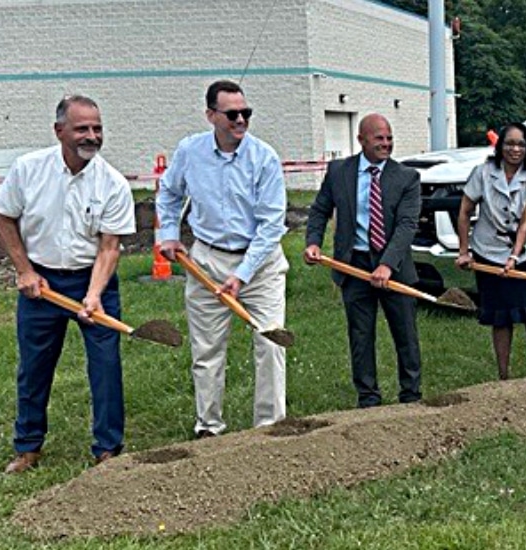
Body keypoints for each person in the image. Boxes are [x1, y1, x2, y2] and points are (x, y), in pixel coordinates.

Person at [0, 95, 136, 473]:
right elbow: (3, 218)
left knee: (106, 367)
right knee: (34, 367)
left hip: (94, 281)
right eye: (82, 128)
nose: (92, 136)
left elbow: (109, 247)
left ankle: (107, 449)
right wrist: (24, 270)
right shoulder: (28, 170)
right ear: (59, 131)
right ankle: (28, 447)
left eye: (97, 128)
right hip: (42, 283)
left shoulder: (113, 183)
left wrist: (93, 296)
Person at [157, 80, 288, 437]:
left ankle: (269, 427)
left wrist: (242, 275)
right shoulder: (190, 151)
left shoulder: (264, 158)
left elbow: (271, 225)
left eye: (246, 112)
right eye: (232, 114)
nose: (241, 120)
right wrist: (168, 234)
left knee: (271, 342)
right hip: (207, 263)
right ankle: (209, 427)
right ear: (211, 115)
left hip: (260, 266)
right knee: (207, 350)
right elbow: (168, 193)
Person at [304, 113, 422, 408]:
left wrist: (387, 264)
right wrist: (313, 243)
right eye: (379, 138)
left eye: (389, 138)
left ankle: (411, 395)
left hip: (394, 267)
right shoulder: (339, 172)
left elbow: (407, 225)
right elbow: (320, 210)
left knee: (405, 333)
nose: (386, 144)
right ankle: (368, 397)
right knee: (360, 335)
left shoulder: (407, 178)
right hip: (353, 264)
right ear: (361, 139)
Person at [454, 122, 526, 379]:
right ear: (500, 146)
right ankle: (503, 377)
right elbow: (465, 212)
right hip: (488, 250)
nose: (515, 149)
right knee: (500, 315)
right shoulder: (483, 173)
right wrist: (463, 250)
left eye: (521, 144)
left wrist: (514, 257)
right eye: (509, 143)